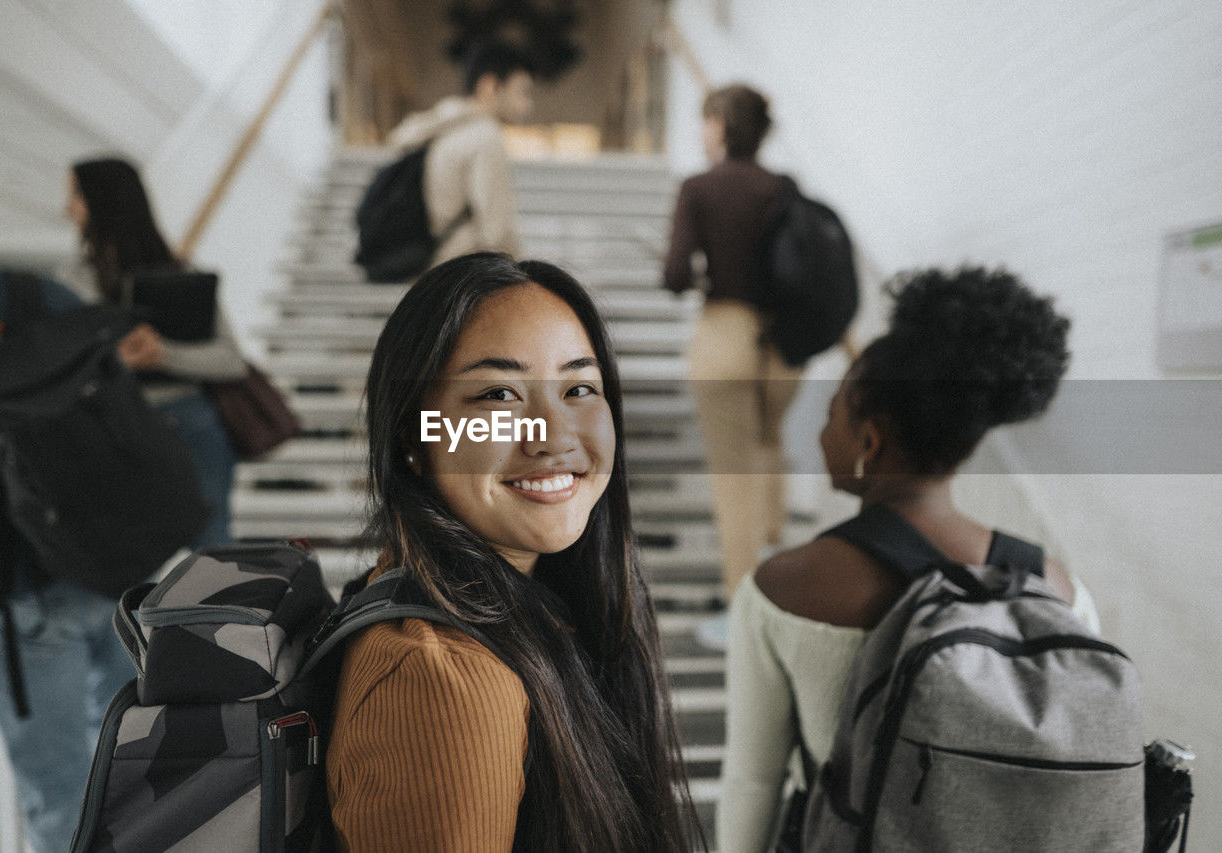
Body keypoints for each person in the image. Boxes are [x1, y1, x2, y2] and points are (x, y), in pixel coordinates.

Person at [326, 253, 703, 851]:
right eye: (498, 395)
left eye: (579, 387)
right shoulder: (445, 678)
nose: (552, 436)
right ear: (413, 435)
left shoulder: (535, 610)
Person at [717, 267, 1101, 852]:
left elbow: (753, 780)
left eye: (833, 409)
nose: (822, 427)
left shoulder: (783, 587)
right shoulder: (1059, 590)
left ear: (869, 440)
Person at [0, 196, 135, 853]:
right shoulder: (42, 294)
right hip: (113, 573)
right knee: (134, 775)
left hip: (13, 591)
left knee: (60, 799)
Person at [663, 84, 804, 649]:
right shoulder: (783, 189)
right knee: (769, 449)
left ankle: (746, 616)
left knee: (733, 477)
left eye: (704, 121)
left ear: (720, 124)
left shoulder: (699, 188)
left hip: (725, 336)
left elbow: (675, 273)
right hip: (781, 346)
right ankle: (777, 579)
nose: (702, 132)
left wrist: (692, 276)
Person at [63, 157, 246, 546]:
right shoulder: (70, 280)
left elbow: (230, 361)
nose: (66, 208)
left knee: (211, 557)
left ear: (105, 200)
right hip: (114, 423)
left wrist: (163, 353)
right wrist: (117, 361)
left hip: (187, 420)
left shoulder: (183, 274)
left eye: (75, 194)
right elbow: (63, 369)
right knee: (128, 558)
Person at [387, 40, 533, 265]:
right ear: (490, 86)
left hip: (429, 268)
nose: (527, 105)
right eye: (522, 92)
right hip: (460, 273)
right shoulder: (485, 136)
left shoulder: (440, 128)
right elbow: (497, 232)